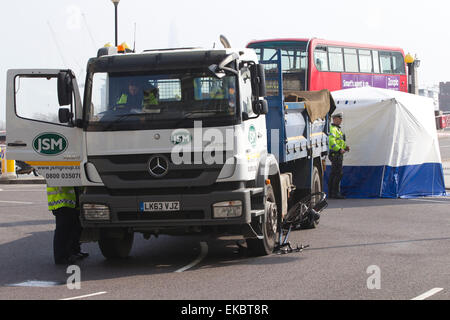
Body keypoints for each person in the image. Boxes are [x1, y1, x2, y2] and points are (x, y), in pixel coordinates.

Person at [47, 186, 88, 265]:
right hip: (61, 201)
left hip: (72, 200)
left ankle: (74, 251)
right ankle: (61, 257)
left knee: (76, 226)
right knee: (63, 229)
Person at [328, 112, 350, 199]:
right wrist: (339, 149)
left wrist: (345, 147)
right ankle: (334, 193)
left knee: (335, 173)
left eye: (341, 119)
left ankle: (332, 193)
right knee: (337, 174)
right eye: (339, 118)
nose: (341, 120)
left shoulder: (338, 129)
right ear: (335, 119)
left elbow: (339, 141)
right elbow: (331, 142)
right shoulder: (333, 129)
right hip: (335, 154)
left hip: (338, 154)